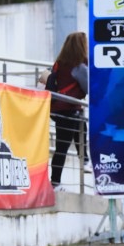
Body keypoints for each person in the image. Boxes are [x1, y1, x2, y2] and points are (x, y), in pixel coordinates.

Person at [43, 31, 89, 190]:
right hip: (69, 108)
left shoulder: (59, 63)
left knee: (79, 126)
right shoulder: (80, 67)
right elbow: (88, 87)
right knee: (63, 146)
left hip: (57, 108)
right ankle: (55, 182)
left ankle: (85, 159)